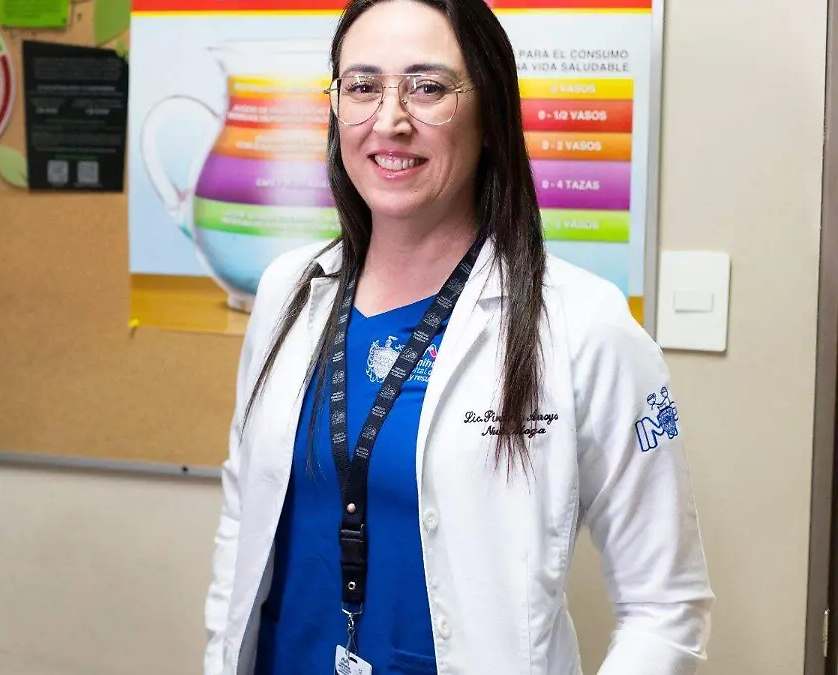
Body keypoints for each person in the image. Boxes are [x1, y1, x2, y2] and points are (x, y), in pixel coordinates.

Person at [202, 0, 713, 673]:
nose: (390, 120)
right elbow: (243, 514)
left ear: (490, 115)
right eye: (362, 86)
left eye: (428, 87)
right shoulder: (288, 291)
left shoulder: (584, 326)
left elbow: (666, 604)